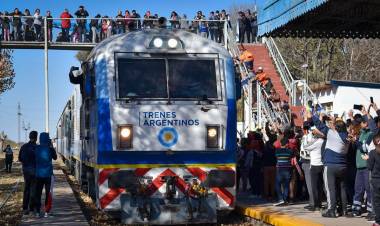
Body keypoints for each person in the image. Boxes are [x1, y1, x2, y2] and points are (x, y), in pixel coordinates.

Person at [309, 111, 351, 218]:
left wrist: (313, 116)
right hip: (343, 166)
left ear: (336, 128)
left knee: (330, 188)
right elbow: (335, 127)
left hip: (331, 165)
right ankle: (344, 210)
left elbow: (320, 126)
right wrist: (332, 120)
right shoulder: (347, 137)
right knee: (342, 188)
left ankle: (331, 210)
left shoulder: (332, 134)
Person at [352, 111, 374, 218]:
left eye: (362, 123)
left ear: (366, 123)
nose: (360, 124)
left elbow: (364, 148)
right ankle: (356, 208)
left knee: (368, 189)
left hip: (367, 166)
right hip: (359, 166)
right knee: (358, 188)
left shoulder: (370, 134)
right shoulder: (361, 133)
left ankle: (371, 211)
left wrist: (356, 141)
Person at [34, 132, 57, 217]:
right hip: (48, 175)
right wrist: (51, 146)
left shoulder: (36, 148)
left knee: (38, 193)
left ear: (40, 139)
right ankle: (47, 212)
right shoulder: (50, 148)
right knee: (48, 193)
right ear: (47, 139)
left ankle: (37, 212)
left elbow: (34, 159)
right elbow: (55, 157)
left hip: (38, 174)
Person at [19, 131, 38, 215]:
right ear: (36, 138)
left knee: (26, 189)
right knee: (33, 189)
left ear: (29, 137)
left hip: (26, 171)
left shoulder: (23, 147)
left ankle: (25, 208)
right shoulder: (37, 147)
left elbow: (20, 158)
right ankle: (31, 208)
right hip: (34, 171)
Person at [274, 137, 294, 206]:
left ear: (281, 143)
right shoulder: (290, 151)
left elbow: (277, 158)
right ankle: (284, 200)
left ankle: (280, 199)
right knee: (286, 185)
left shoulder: (277, 151)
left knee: (277, 184)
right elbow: (292, 157)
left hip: (280, 170)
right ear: (286, 144)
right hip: (288, 170)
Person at [367, 132, 380, 226]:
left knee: (377, 202)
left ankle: (378, 221)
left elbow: (370, 167)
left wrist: (367, 159)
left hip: (376, 180)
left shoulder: (373, 153)